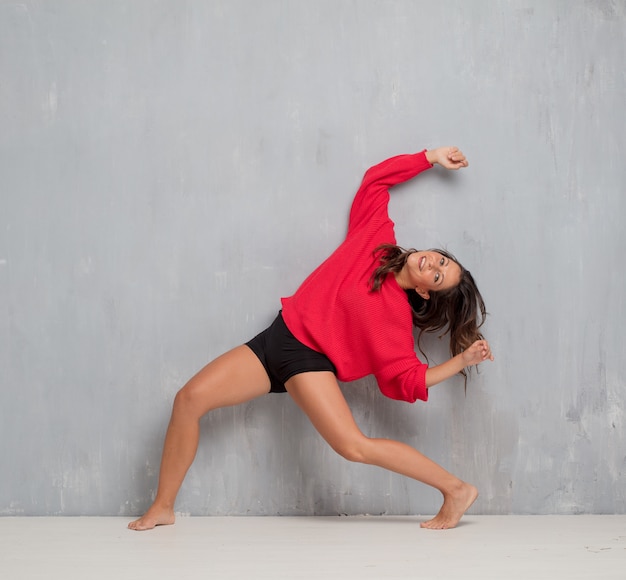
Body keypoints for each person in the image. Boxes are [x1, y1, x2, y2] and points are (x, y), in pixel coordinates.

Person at [128, 145, 494, 532]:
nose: (433, 265)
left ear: (425, 292)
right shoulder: (377, 239)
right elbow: (375, 181)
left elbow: (408, 378)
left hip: (309, 359)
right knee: (188, 399)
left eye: (438, 277)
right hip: (278, 335)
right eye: (441, 260)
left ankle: (455, 490)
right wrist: (430, 156)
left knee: (353, 446)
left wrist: (461, 362)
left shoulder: (395, 318)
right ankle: (163, 508)